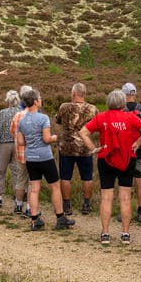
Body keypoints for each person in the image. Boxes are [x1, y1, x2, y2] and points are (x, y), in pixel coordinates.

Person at [80, 89, 141, 245]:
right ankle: (125, 234)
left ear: (108, 102)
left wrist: (93, 148)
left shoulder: (101, 117)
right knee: (125, 197)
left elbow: (83, 132)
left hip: (105, 158)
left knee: (106, 197)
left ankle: (105, 234)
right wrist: (137, 144)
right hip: (127, 159)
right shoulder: (130, 117)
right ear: (123, 103)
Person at [17, 89, 75, 231]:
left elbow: (20, 142)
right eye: (40, 98)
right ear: (36, 101)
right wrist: (55, 137)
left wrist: (31, 140)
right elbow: (46, 139)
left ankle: (35, 219)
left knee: (34, 188)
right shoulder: (43, 118)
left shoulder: (22, 120)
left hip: (31, 157)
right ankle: (60, 218)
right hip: (45, 157)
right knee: (54, 186)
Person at [55, 82, 98, 215]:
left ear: (73, 94)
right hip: (85, 148)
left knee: (65, 177)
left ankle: (67, 206)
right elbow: (97, 125)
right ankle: (86, 204)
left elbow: (57, 120)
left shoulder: (64, 107)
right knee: (87, 177)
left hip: (66, 147)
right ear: (84, 94)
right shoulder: (93, 109)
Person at [122, 83, 141, 222]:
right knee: (140, 180)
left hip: (123, 151)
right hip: (139, 150)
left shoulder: (120, 109)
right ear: (135, 93)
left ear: (123, 94)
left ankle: (124, 211)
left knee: (124, 182)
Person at [0, 90, 21, 209]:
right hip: (17, 144)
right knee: (16, 171)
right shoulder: (21, 112)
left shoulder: (3, 113)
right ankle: (17, 196)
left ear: (7, 100)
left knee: (0, 170)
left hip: (3, 144)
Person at [9, 85, 34, 216]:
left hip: (19, 153)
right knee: (32, 181)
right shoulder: (37, 116)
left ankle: (18, 205)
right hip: (33, 153)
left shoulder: (18, 115)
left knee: (20, 179)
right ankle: (30, 207)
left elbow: (12, 132)